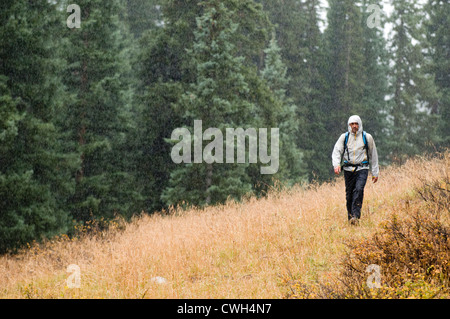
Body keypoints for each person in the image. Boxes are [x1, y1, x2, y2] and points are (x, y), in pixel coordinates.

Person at [332, 115, 379, 225]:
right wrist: (336, 165)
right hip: (348, 169)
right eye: (352, 124)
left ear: (360, 124)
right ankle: (350, 218)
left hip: (362, 168)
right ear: (349, 125)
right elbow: (337, 151)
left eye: (356, 124)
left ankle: (356, 216)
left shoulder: (367, 137)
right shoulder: (344, 137)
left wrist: (375, 172)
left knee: (359, 189)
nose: (354, 126)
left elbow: (373, 155)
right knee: (349, 195)